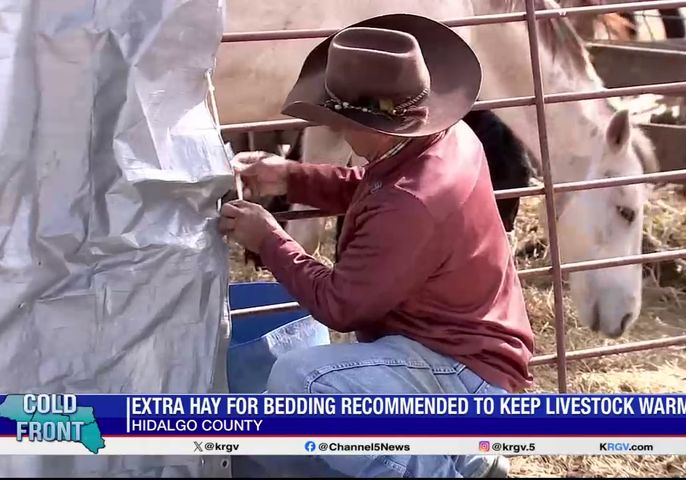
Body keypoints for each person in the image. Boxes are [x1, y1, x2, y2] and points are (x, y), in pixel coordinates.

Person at [218, 13, 534, 478]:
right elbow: (373, 188)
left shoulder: (411, 202)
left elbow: (342, 305)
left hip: (462, 369)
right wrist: (290, 176)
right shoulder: (445, 140)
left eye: (341, 120)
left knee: (303, 381)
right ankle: (469, 457)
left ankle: (431, 469)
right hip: (472, 355)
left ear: (375, 125)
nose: (339, 131)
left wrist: (268, 240)